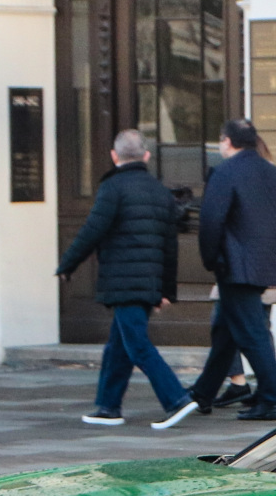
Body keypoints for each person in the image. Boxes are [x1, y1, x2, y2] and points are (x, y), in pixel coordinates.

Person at [56, 129, 192, 426]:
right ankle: (108, 407)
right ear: (145, 156)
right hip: (149, 281)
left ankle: (176, 399)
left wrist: (67, 265)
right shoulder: (160, 192)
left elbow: (93, 230)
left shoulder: (113, 188)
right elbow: (170, 247)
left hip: (123, 280)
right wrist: (166, 289)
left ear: (114, 156)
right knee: (118, 346)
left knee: (137, 345)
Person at [176, 119, 276, 423]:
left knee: (251, 331)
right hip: (266, 262)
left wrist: (211, 260)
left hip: (235, 265)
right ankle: (204, 391)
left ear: (227, 141)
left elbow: (211, 222)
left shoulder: (225, 172)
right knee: (227, 330)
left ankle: (272, 398)